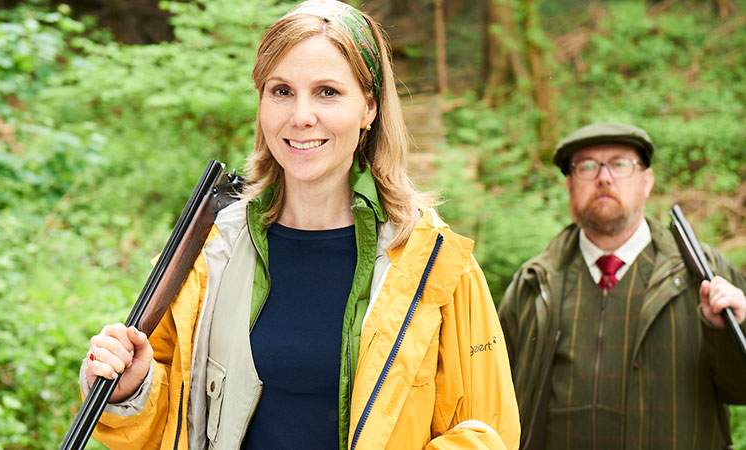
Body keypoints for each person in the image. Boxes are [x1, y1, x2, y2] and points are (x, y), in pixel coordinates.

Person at [79, 0, 520, 449]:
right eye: (281, 91)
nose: (300, 116)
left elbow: (487, 432)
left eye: (327, 91)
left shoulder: (435, 264)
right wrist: (130, 389)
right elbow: (167, 429)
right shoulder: (206, 254)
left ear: (368, 107)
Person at [498, 122, 746, 450]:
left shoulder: (707, 275)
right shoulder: (532, 284)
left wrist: (728, 329)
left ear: (647, 182)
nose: (604, 177)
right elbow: (495, 398)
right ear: (569, 186)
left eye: (620, 164)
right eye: (586, 166)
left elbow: (741, 389)